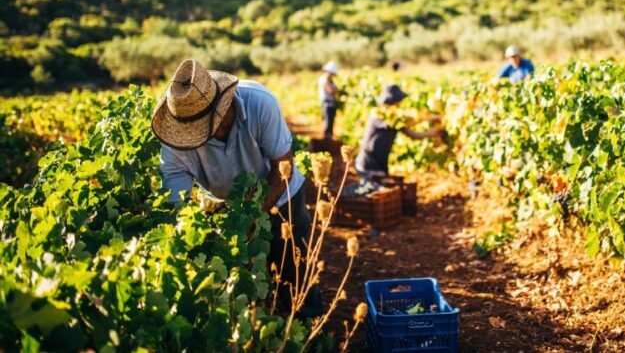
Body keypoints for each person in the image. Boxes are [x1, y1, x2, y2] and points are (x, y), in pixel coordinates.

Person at [151, 59, 323, 317]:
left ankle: (310, 323)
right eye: (201, 132)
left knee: (293, 264)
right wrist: (191, 236)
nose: (212, 134)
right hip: (224, 203)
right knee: (244, 276)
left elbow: (282, 167)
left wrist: (253, 215)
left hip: (281, 194)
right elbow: (178, 198)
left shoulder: (260, 102)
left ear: (227, 102)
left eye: (214, 124)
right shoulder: (177, 130)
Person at [355, 84, 443, 180]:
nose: (400, 104)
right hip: (368, 165)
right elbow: (407, 120)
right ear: (392, 102)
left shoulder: (395, 119)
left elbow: (413, 134)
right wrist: (431, 118)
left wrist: (435, 133)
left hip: (379, 165)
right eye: (398, 102)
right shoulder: (378, 115)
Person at [318, 61, 339, 139]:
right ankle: (326, 143)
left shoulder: (330, 80)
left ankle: (328, 141)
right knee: (327, 125)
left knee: (330, 125)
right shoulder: (324, 79)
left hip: (331, 104)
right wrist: (337, 90)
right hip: (327, 104)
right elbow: (331, 91)